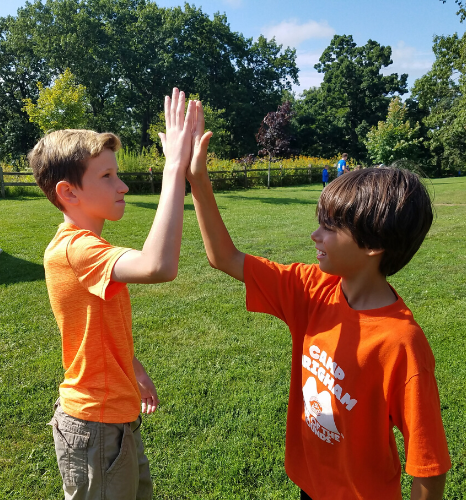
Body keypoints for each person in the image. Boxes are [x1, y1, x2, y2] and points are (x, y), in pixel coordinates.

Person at [186, 103, 451, 500]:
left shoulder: (401, 343)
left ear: (374, 245)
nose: (315, 236)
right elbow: (225, 258)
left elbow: (428, 465)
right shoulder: (311, 289)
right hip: (310, 486)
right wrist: (198, 180)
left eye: (329, 227)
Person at [28, 88, 194, 500]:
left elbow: (95, 328)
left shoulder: (84, 247)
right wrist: (175, 167)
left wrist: (133, 369)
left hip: (115, 419)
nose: (122, 185)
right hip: (95, 427)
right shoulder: (76, 249)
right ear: (69, 192)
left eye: (117, 174)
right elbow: (160, 266)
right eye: (106, 176)